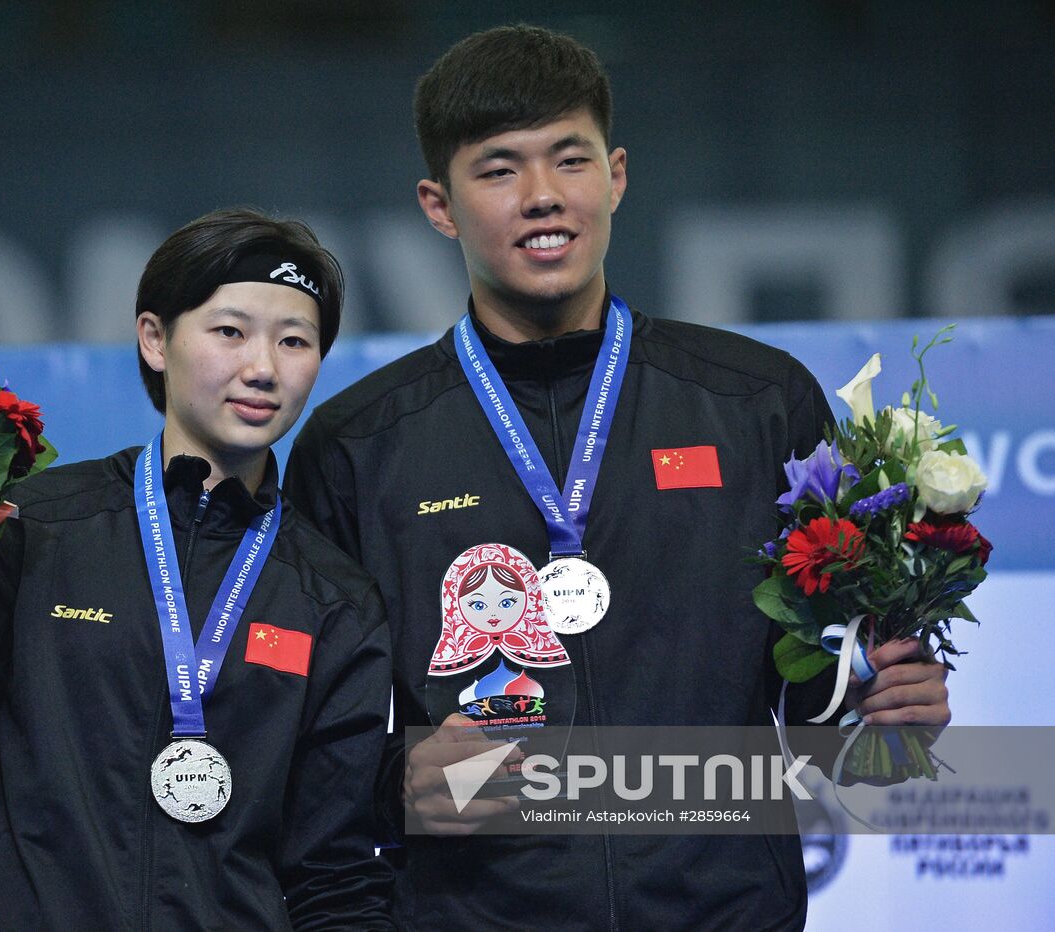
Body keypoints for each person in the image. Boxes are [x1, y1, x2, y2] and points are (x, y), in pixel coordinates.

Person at [284, 25, 950, 930]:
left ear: (619, 175)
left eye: (571, 159)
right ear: (438, 206)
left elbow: (821, 704)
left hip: (724, 913)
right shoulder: (359, 445)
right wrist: (388, 782)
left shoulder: (757, 404)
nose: (543, 196)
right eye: (499, 170)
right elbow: (306, 725)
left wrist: (890, 701)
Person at [0, 208, 393, 929]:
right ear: (155, 339)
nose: (263, 367)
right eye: (230, 331)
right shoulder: (33, 526)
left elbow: (332, 878)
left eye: (295, 340)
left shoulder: (335, 599)